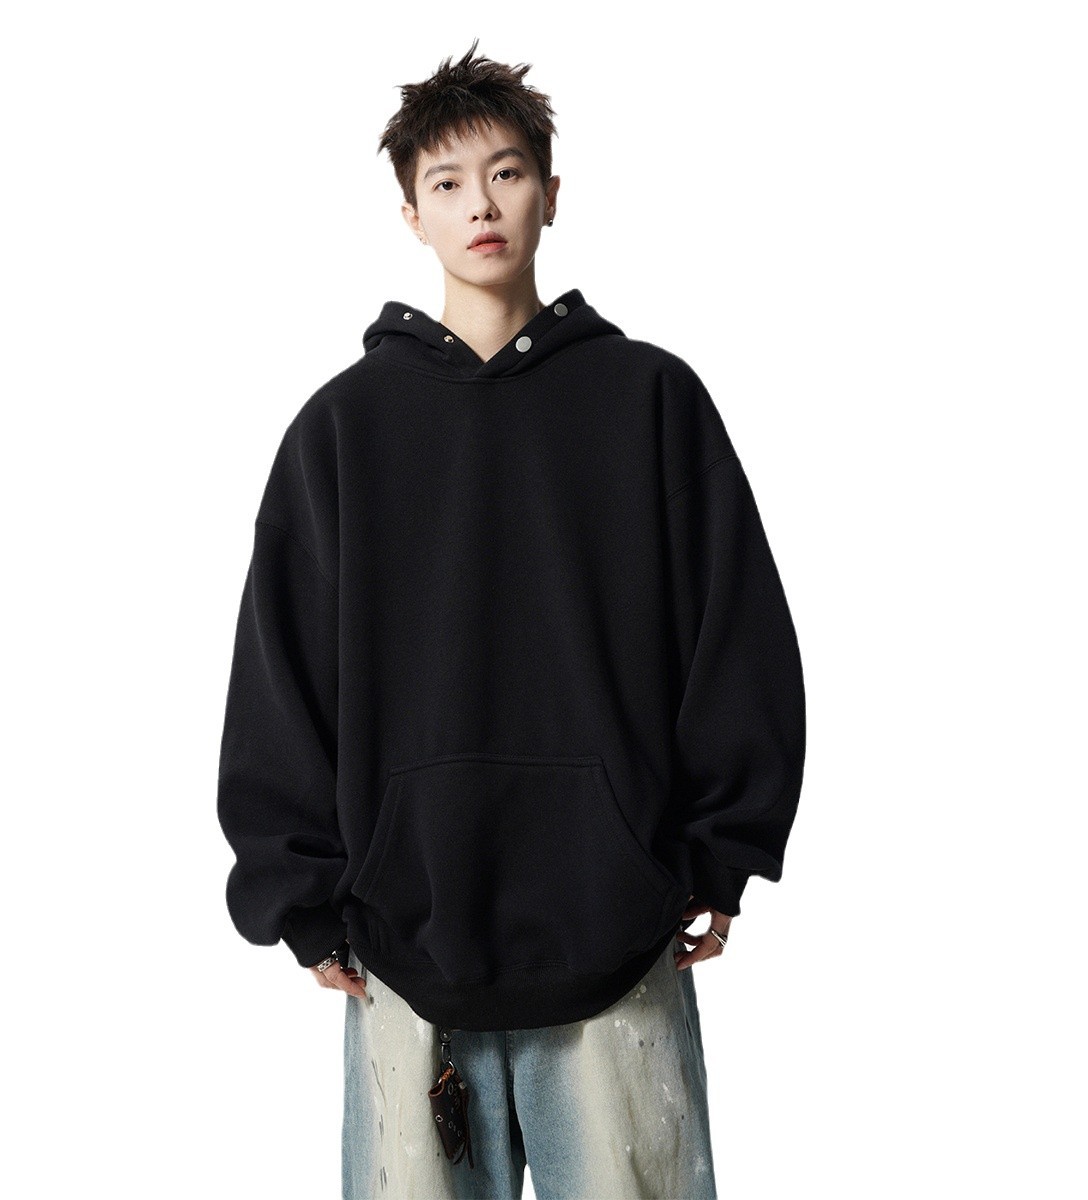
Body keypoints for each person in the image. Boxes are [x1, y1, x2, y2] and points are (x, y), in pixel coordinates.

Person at [216, 39, 806, 1200]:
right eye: (447, 183)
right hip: (403, 938)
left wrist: (720, 853)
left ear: (550, 190)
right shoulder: (343, 430)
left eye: (505, 173)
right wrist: (301, 897)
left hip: (617, 931)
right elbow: (281, 673)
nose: (480, 205)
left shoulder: (651, 401)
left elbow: (735, 631)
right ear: (411, 213)